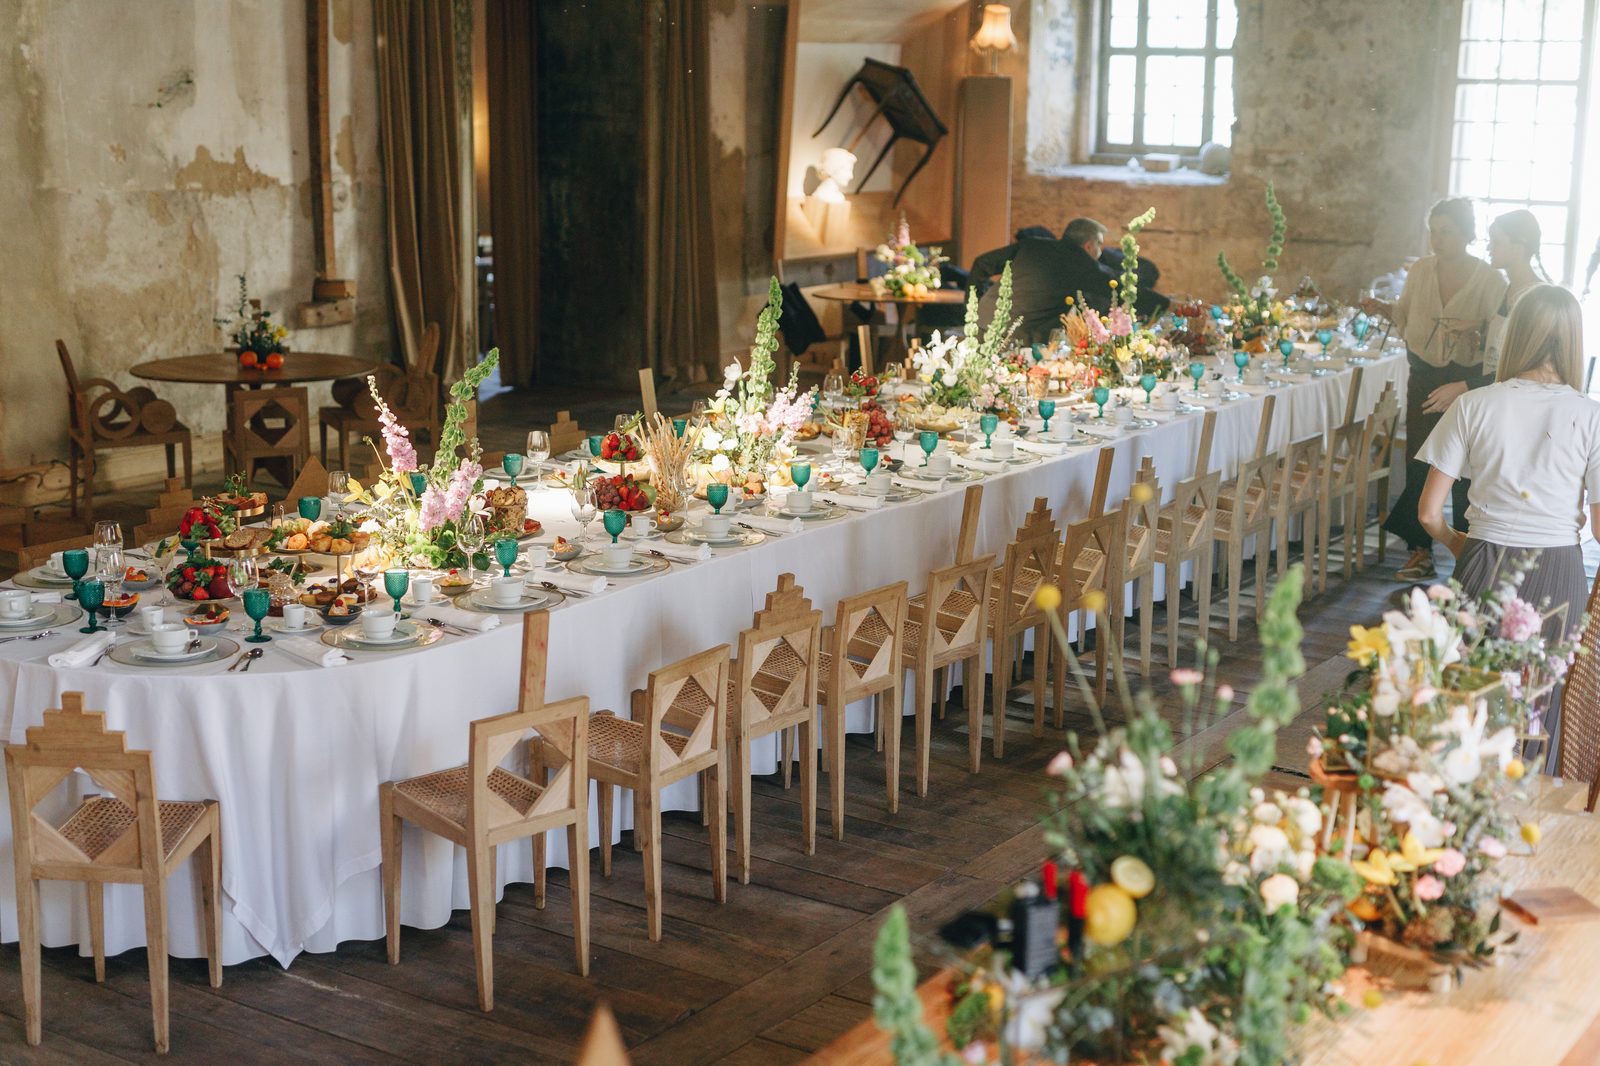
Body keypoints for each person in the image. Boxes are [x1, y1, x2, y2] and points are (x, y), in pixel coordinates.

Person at [1415, 284, 1600, 770]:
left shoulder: (1473, 404)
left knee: (1467, 704)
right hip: (1558, 569)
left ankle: (1458, 824)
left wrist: (1461, 545)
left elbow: (1429, 514)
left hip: (1482, 560)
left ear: (1516, 334)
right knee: (1542, 707)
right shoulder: (1591, 415)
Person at [1359, 197, 1506, 581]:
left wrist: (1477, 326)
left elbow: (1501, 337)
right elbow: (1406, 317)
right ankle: (1419, 551)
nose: (1438, 240)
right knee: (1421, 462)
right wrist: (1381, 308)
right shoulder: (1421, 271)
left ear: (1467, 234)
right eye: (1433, 231)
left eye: (1447, 232)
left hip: (1466, 383)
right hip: (1423, 377)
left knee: (1463, 470)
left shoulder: (1490, 279)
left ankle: (1467, 555)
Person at [1481, 210, 1548, 379]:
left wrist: (1467, 385)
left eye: (1496, 241)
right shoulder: (1505, 289)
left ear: (1518, 247)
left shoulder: (1540, 299)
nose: (1489, 247)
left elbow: (1530, 366)